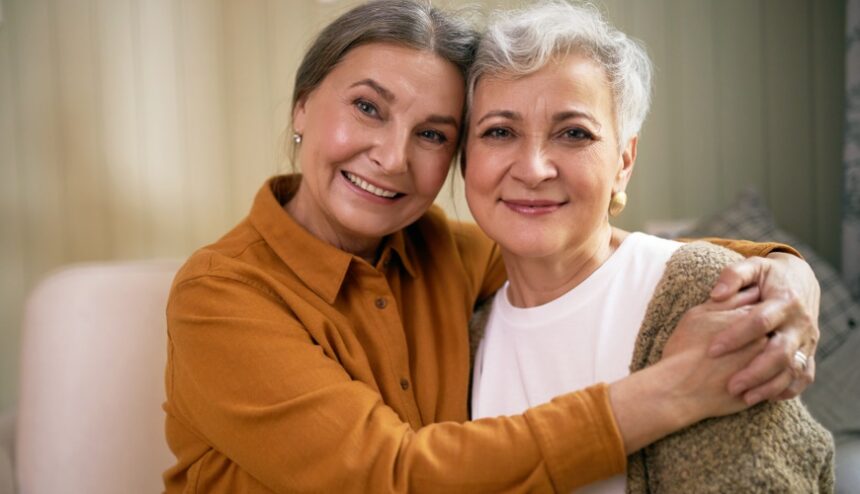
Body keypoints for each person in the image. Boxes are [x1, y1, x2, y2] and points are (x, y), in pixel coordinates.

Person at [163, 1, 822, 492]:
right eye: (368, 108)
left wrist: (784, 275)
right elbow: (390, 476)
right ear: (303, 106)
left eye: (432, 134)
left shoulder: (445, 252)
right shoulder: (220, 292)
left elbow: (592, 249)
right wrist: (670, 392)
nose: (391, 157)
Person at [464, 2, 833, 492]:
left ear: (624, 160)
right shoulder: (465, 328)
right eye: (499, 132)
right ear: (465, 157)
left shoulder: (706, 292)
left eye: (574, 133)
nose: (533, 169)